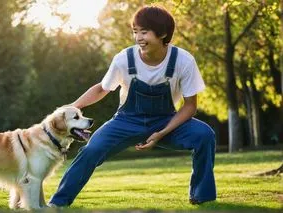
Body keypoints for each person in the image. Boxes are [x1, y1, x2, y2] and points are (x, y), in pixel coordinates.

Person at [48, 5, 216, 207]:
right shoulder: (124, 59)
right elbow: (102, 88)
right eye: (135, 32)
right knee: (91, 150)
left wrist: (162, 133)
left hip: (166, 121)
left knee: (204, 135)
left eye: (144, 32)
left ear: (162, 33)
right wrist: (72, 107)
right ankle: (59, 202)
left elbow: (190, 106)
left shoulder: (183, 61)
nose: (138, 38)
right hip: (126, 121)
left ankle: (201, 196)